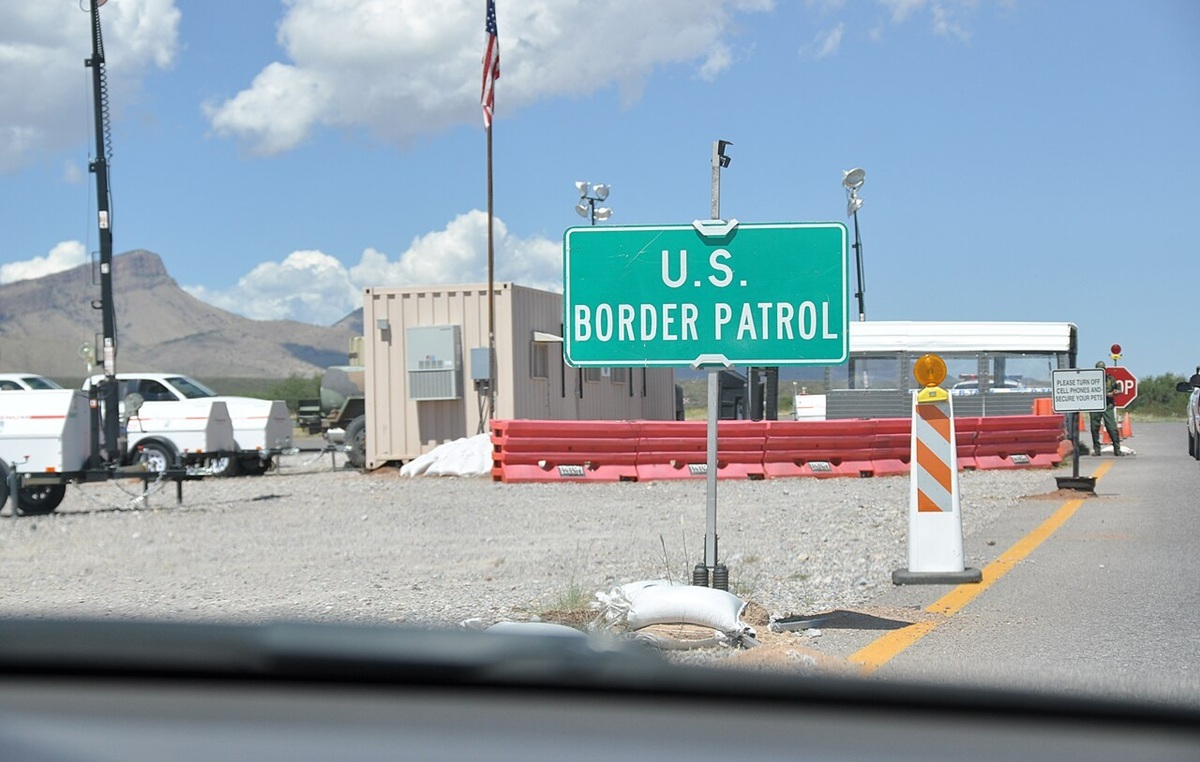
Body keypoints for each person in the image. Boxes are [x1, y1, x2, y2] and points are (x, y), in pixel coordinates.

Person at [1090, 361, 1122, 456]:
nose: (1101, 371)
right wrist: (1107, 394)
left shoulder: (1110, 379)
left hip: (1108, 406)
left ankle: (1117, 449)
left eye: (1103, 369)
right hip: (1095, 406)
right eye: (1099, 369)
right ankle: (1097, 449)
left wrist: (1117, 392)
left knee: (1112, 428)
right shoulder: (1091, 380)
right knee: (1094, 428)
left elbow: (1118, 388)